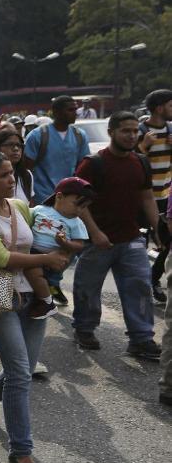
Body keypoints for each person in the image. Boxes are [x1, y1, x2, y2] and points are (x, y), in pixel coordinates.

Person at [0, 151, 69, 463]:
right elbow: (0, 257)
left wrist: (62, 249)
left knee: (17, 371)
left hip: (36, 299)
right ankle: (22, 450)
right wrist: (46, 261)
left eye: (13, 173)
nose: (12, 180)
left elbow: (39, 241)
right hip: (1, 297)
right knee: (21, 374)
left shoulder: (20, 207)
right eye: (4, 175)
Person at [71, 111, 162, 360]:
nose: (132, 136)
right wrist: (95, 232)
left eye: (135, 131)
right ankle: (84, 329)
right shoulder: (93, 164)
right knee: (88, 289)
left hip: (131, 238)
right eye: (126, 131)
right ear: (112, 132)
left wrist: (159, 230)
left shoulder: (141, 162)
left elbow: (147, 197)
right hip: (97, 241)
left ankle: (141, 339)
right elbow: (80, 203)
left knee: (140, 287)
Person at [23, 177, 93, 319]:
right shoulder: (39, 209)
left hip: (53, 257)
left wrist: (65, 244)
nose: (80, 210)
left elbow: (80, 245)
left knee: (32, 270)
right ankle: (39, 301)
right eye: (77, 205)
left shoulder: (76, 223)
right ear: (60, 196)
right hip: (31, 250)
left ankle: (47, 302)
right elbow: (25, 222)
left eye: (84, 207)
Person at [23, 95, 90, 204]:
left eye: (75, 109)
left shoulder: (80, 136)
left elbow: (82, 168)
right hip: (42, 199)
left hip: (68, 199)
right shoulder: (37, 136)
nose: (75, 113)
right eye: (70, 110)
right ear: (56, 112)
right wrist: (29, 199)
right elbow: (26, 171)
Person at [139, 89, 172, 304]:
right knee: (138, 242)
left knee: (167, 243)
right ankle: (139, 283)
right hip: (142, 197)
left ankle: (153, 279)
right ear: (159, 108)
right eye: (170, 105)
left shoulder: (170, 130)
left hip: (166, 197)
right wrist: (144, 146)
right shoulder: (140, 130)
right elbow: (132, 160)